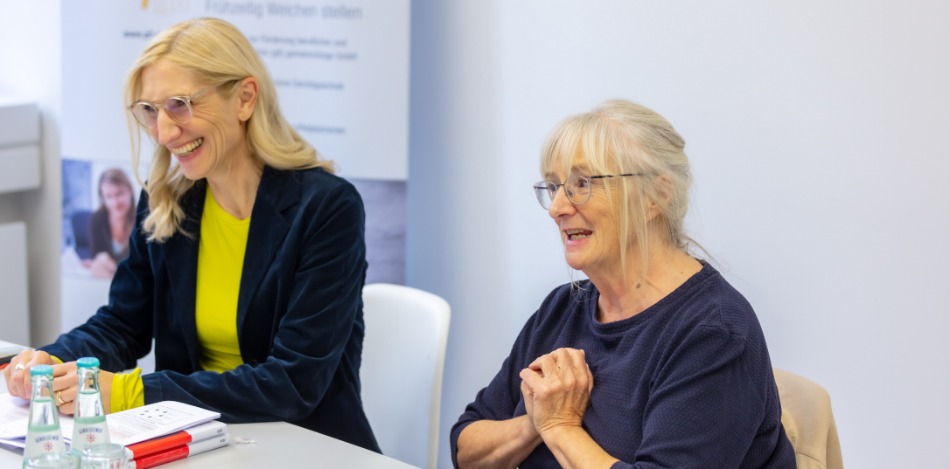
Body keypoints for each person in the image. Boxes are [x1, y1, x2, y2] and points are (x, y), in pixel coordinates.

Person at [3, 17, 379, 452]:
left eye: (180, 104)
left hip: (309, 446)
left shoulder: (327, 207)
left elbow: (294, 382)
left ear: (244, 98)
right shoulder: (169, 202)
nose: (163, 133)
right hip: (199, 443)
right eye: (150, 111)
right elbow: (124, 324)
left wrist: (129, 394)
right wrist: (53, 361)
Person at [451, 99, 795, 468]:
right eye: (554, 186)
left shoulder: (713, 332)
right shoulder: (563, 308)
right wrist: (532, 425)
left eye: (582, 183)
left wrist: (561, 426)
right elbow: (466, 448)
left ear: (656, 196)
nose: (557, 208)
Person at [84, 168, 136, 278]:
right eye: (109, 196)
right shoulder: (97, 219)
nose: (115, 202)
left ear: (130, 191)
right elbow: (96, 256)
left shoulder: (142, 219)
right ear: (102, 198)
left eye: (119, 194)